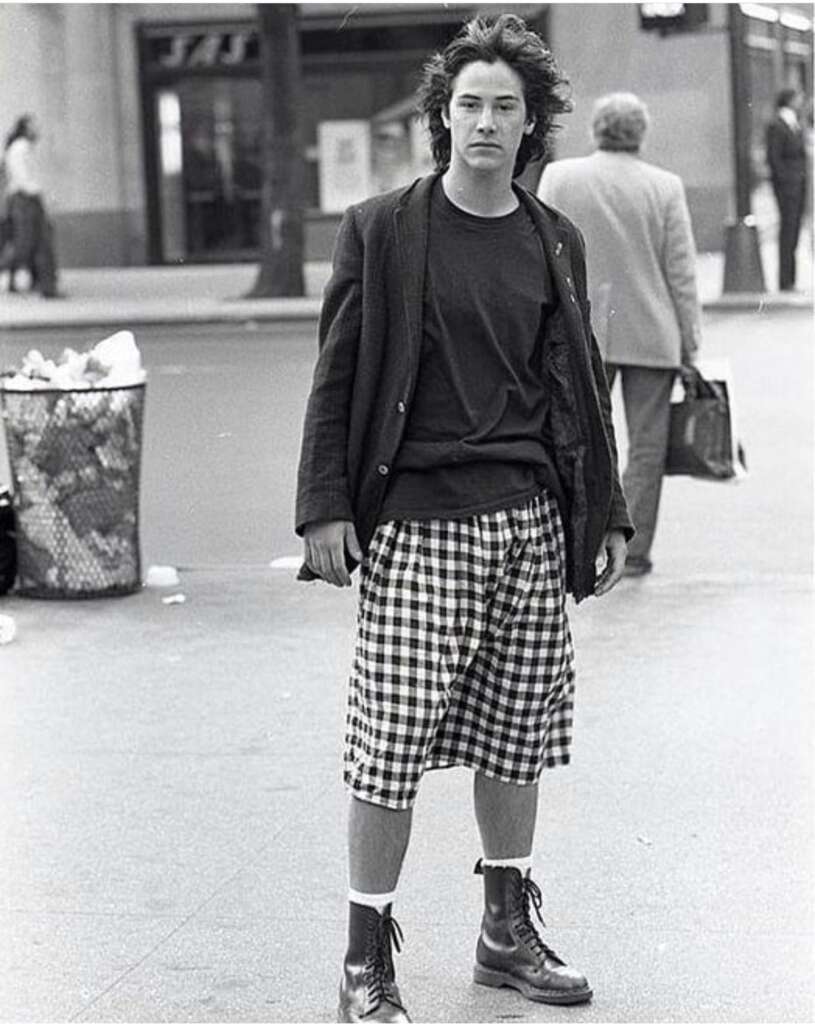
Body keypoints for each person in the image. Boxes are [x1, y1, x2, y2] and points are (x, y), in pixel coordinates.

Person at [295, 15, 632, 1022]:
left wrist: (600, 513)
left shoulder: (550, 237)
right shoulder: (384, 229)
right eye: (468, 104)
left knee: (514, 738)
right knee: (388, 744)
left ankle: (503, 929)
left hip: (527, 522)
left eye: (505, 107)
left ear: (532, 126)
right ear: (441, 118)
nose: (485, 121)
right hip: (417, 522)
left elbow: (576, 383)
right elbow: (337, 376)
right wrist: (323, 508)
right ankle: (365, 957)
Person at [538, 92, 701, 578]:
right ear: (641, 134)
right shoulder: (664, 186)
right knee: (647, 447)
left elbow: (540, 254)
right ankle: (636, 549)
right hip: (653, 332)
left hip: (580, 327)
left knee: (575, 436)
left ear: (596, 129)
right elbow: (682, 273)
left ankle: (572, 537)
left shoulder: (560, 177)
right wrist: (690, 344)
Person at [1, 114, 61, 298]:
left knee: (28, 244)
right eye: (34, 126)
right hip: (26, 199)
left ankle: (43, 285)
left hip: (23, 199)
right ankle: (46, 286)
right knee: (35, 243)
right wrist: (39, 194)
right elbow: (23, 178)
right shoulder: (21, 148)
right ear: (26, 128)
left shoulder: (19, 148)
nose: (38, 130)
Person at [765, 87, 808, 292]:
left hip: (797, 184)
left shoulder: (794, 124)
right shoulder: (778, 125)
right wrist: (785, 182)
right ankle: (785, 279)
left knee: (794, 231)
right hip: (788, 187)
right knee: (788, 231)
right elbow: (774, 158)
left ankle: (790, 278)